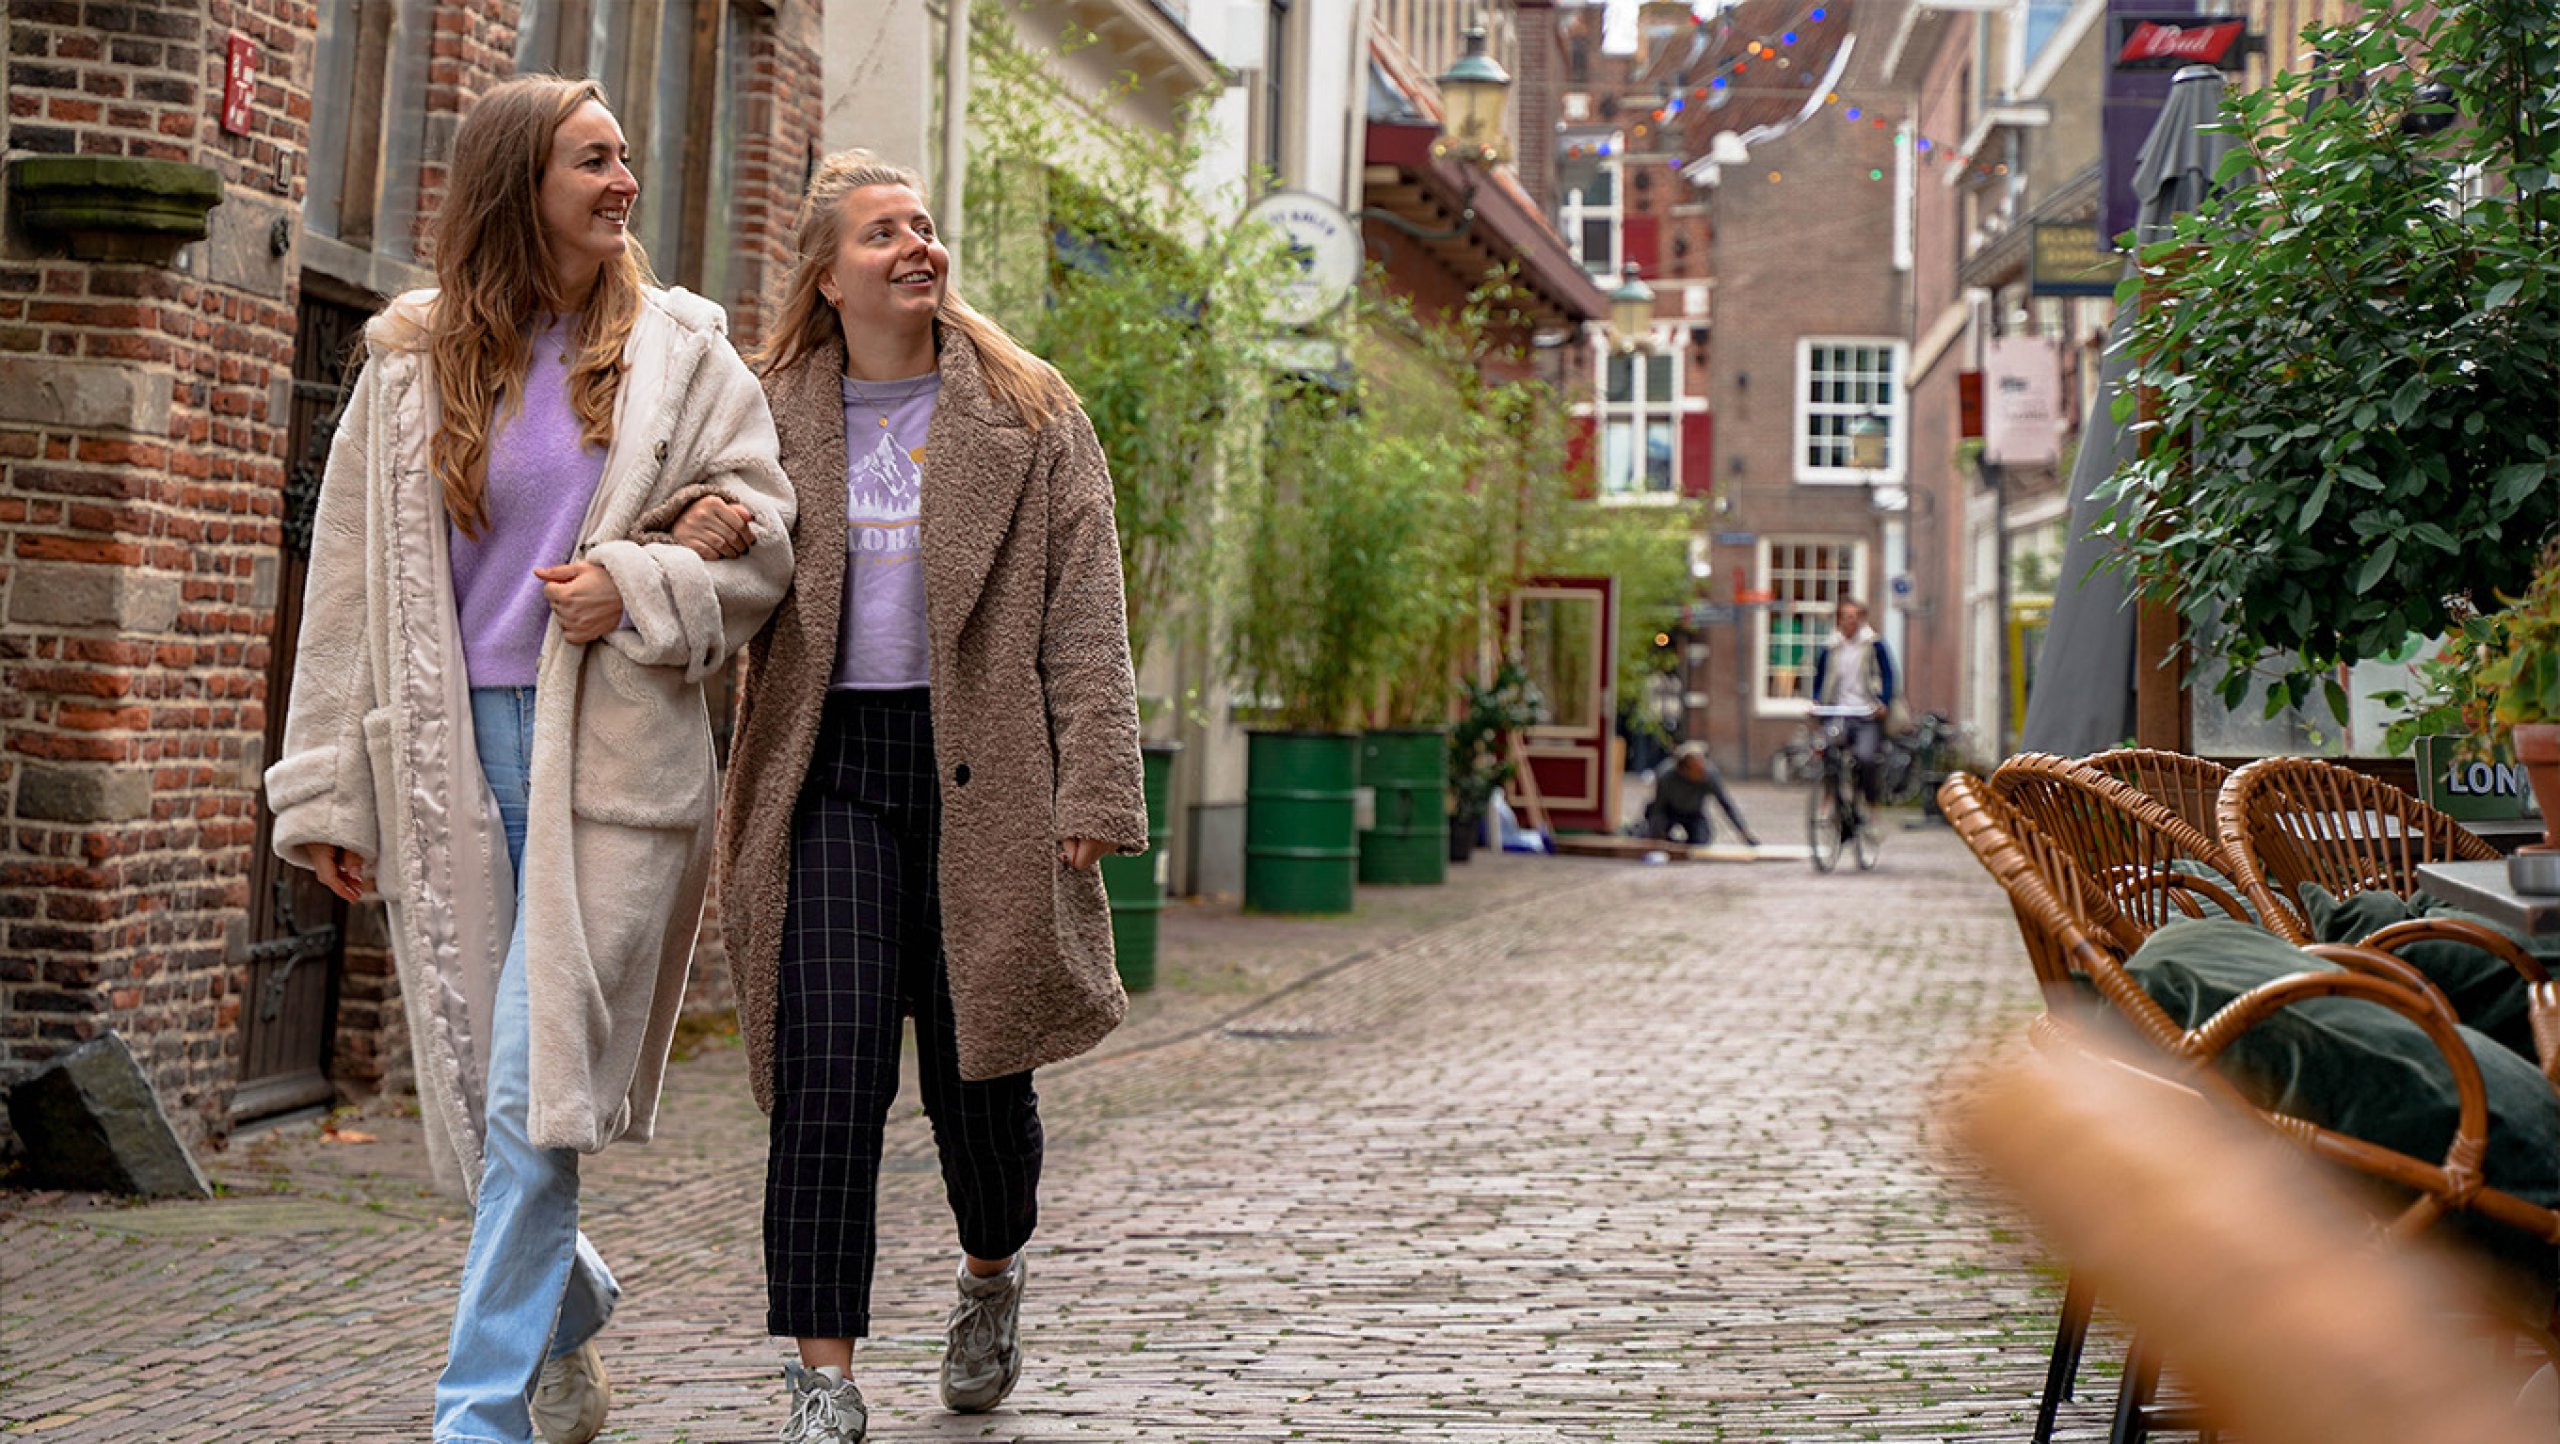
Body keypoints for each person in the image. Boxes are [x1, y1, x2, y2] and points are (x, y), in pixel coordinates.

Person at [261, 76, 796, 1444]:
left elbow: (770, 541)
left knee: (526, 1091)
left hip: (612, 763)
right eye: (592, 160)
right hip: (449, 759)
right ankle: (570, 1304)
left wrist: (642, 580)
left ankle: (475, 1418)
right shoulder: (407, 365)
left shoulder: (685, 356)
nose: (625, 182)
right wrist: (329, 789)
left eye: (624, 157)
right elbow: (348, 596)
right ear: (521, 183)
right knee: (489, 1098)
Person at [715, 150, 1148, 1443]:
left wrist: (1095, 784)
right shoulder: (763, 410)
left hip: (991, 773)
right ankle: (823, 1379)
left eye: (922, 225)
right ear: (826, 276)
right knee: (829, 1073)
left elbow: (1085, 612)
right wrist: (695, 531)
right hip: (829, 771)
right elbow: (701, 535)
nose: (916, 246)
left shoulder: (1030, 408)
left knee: (981, 1082)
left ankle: (989, 1274)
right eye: (881, 234)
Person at [1811, 597, 1897, 807]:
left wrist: (1883, 702)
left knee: (1866, 757)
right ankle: (1829, 796)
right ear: (1838, 619)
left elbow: (1888, 675)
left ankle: (1868, 801)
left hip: (1865, 713)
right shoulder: (1831, 646)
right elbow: (1821, 677)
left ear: (1861, 619)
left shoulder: (1873, 645)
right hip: (1838, 712)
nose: (1849, 621)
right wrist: (1817, 701)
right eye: (1845, 616)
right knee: (1827, 751)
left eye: (1854, 616)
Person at [1646, 741, 1761, 847]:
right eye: (1696, 769)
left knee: (1702, 841)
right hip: (1670, 812)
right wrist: (1658, 834)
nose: (1701, 771)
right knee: (1655, 834)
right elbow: (1658, 807)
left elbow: (1726, 804)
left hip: (1694, 813)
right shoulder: (1666, 776)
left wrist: (1744, 833)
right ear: (1683, 769)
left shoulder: (1709, 775)